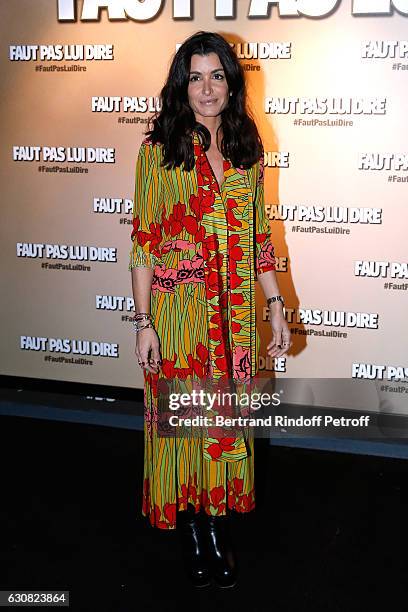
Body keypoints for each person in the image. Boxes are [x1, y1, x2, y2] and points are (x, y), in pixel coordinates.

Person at [128, 31, 291, 588]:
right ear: (181, 85)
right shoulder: (158, 153)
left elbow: (258, 236)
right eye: (194, 77)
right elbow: (143, 243)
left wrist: (274, 303)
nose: (206, 89)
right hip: (180, 317)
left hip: (236, 315)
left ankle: (216, 521)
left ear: (231, 83)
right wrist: (144, 323)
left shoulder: (248, 151)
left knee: (224, 422)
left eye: (216, 75)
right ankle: (197, 531)